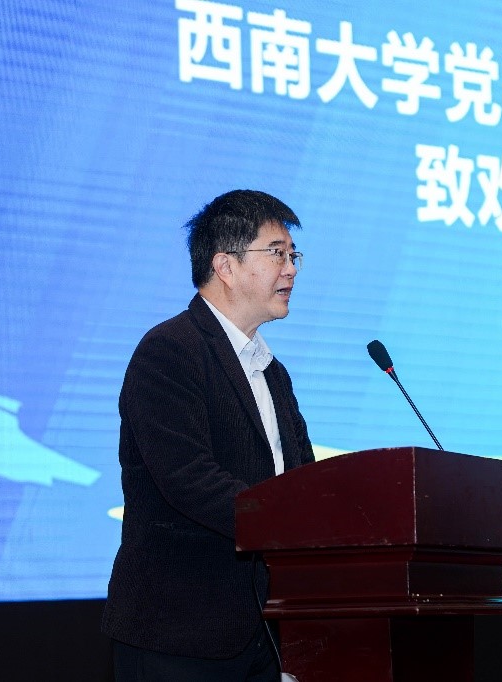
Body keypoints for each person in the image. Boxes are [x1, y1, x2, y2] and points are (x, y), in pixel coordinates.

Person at [102, 189, 315, 681]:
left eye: (293, 255)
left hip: (263, 631)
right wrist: (289, 523)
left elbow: (300, 477)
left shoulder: (271, 371)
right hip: (179, 631)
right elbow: (189, 479)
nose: (291, 269)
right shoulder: (169, 351)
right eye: (277, 253)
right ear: (225, 265)